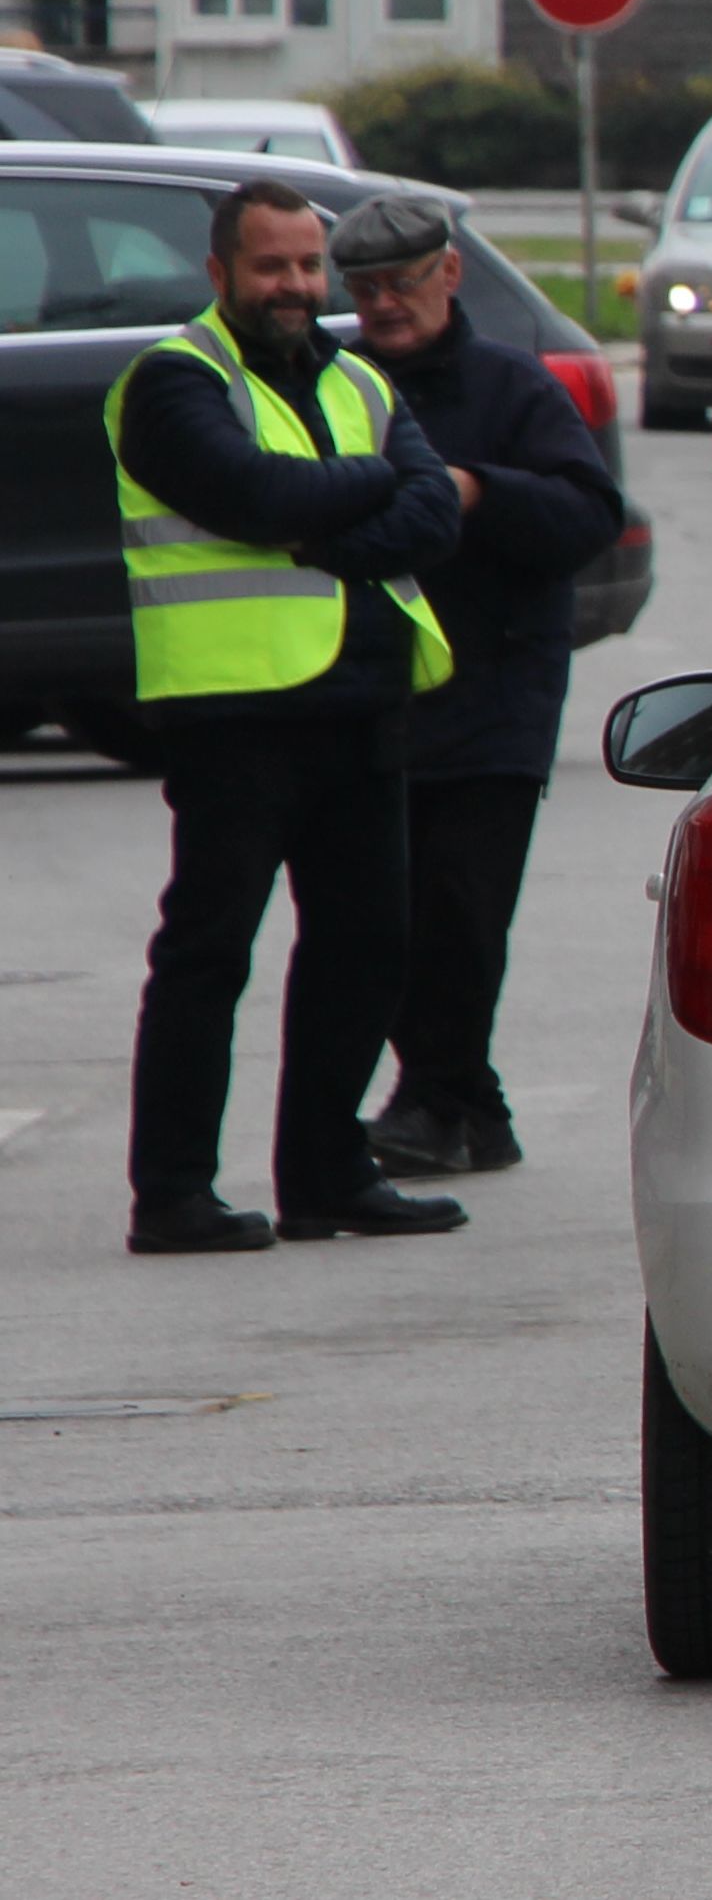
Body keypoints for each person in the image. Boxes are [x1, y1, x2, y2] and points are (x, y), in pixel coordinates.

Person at [105, 179, 468, 1253]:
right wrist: (361, 489)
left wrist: (328, 526)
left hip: (362, 704)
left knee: (365, 949)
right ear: (221, 274)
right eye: (273, 268)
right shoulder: (172, 381)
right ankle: (171, 1194)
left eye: (310, 267)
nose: (298, 288)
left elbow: (435, 509)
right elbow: (251, 496)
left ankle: (324, 1174)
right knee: (209, 953)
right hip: (235, 713)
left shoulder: (356, 378)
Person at [327, 195, 626, 1180]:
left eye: (402, 284)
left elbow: (588, 513)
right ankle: (470, 1107)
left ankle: (430, 1098)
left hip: (496, 690)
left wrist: (478, 492)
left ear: (448, 275)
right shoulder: (338, 384)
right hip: (378, 687)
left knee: (460, 907)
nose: (384, 305)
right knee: (393, 909)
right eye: (365, 290)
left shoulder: (512, 388)